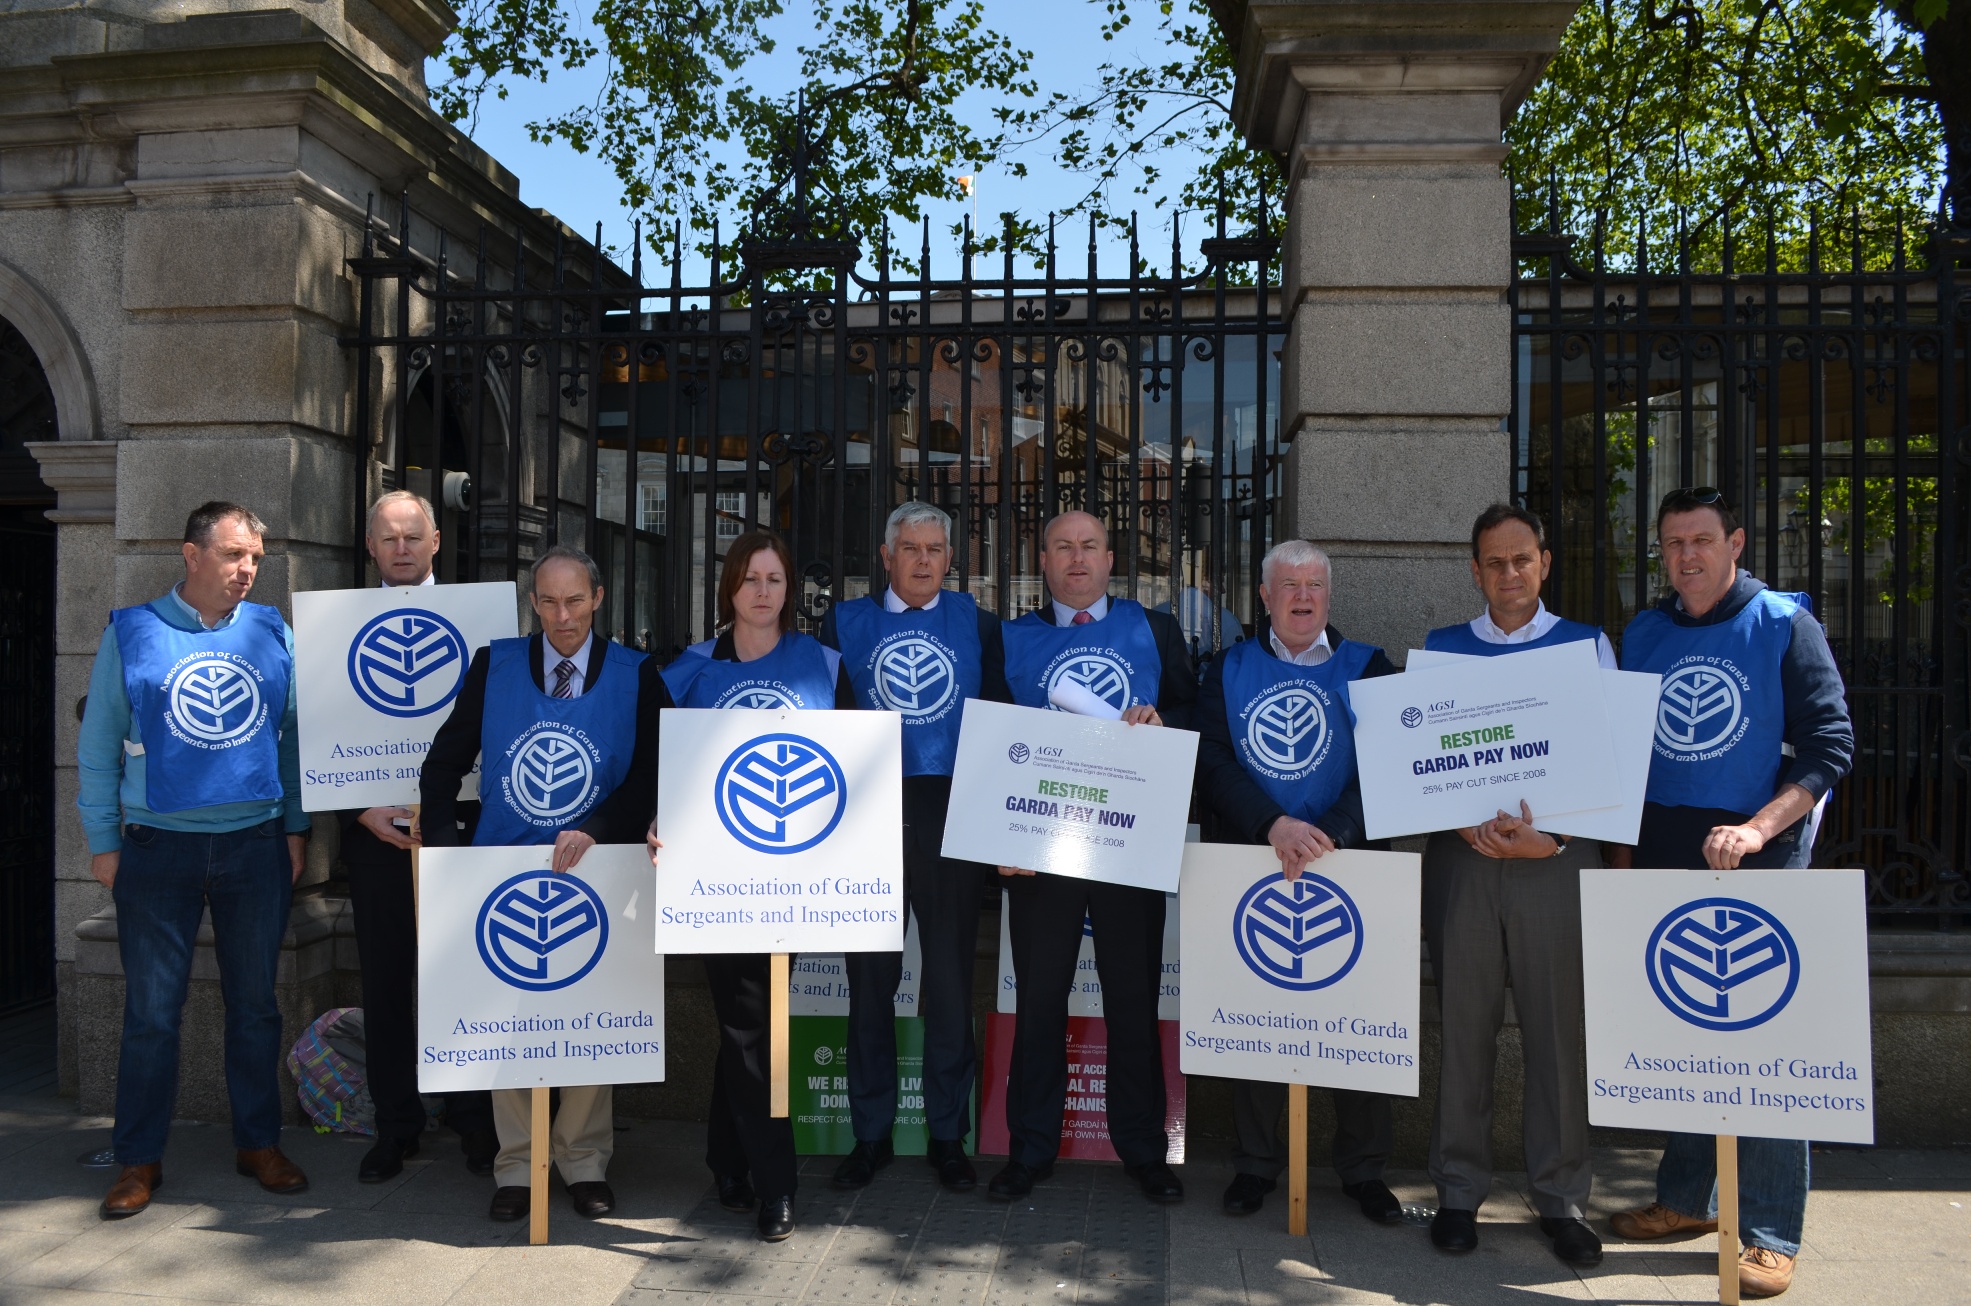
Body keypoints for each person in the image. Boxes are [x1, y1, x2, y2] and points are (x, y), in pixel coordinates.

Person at [1608, 488, 1853, 1300]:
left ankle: (1772, 1231)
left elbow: (1829, 746)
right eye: (1672, 542)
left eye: (1702, 540)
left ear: (1735, 543)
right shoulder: (1642, 632)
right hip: (1665, 853)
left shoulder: (1784, 624)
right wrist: (1618, 855)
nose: (1687, 556)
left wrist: (1757, 828)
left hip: (1755, 854)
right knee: (1686, 1032)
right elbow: (1616, 755)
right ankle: (1686, 1199)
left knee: (1762, 1043)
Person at [78, 501, 313, 1219]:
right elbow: (97, 746)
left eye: (254, 560)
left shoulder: (273, 632)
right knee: (152, 1014)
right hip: (156, 849)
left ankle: (258, 1142)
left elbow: (293, 739)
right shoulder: (133, 632)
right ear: (191, 554)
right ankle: (138, 1160)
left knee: (255, 1007)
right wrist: (103, 844)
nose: (246, 571)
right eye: (233, 555)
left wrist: (296, 829)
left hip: (255, 844)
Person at [421, 544, 662, 1223]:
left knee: (591, 1025)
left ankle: (583, 1162)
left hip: (599, 873)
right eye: (549, 602)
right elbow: (444, 761)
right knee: (511, 1025)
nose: (563, 616)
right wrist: (444, 854)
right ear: (534, 602)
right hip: (505, 873)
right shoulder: (494, 665)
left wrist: (604, 823)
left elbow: (654, 769)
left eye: (575, 601)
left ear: (599, 597)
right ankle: (518, 1166)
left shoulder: (638, 672)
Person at [1418, 503, 1614, 1268]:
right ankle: (1458, 1192)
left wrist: (1556, 838)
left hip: (1552, 865)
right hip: (1463, 866)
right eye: (1493, 563)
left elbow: (1605, 759)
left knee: (1553, 1034)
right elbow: (1422, 759)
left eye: (1520, 560)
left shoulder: (1586, 645)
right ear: (1474, 571)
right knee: (1462, 1031)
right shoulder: (1440, 651)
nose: (1507, 574)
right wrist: (1449, 815)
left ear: (1544, 562)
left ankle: (1561, 1199)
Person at [1192, 539, 1403, 1223]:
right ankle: (1255, 1165)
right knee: (1259, 1020)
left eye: (1314, 584)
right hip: (1255, 862)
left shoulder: (1369, 666)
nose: (1302, 595)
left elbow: (1389, 761)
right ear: (1264, 595)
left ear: (1328, 596)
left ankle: (1363, 1170)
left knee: (1356, 1021)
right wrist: (1273, 827)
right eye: (1288, 584)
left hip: (1352, 866)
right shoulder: (1226, 668)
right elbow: (1214, 763)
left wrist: (1330, 832)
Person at [656, 529, 856, 1242]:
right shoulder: (690, 670)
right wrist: (657, 824)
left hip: (797, 877)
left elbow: (855, 765)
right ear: (729, 588)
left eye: (774, 579)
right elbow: (664, 767)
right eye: (749, 579)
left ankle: (726, 1159)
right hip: (715, 878)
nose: (762, 592)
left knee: (751, 1025)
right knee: (750, 1025)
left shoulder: (825, 666)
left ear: (788, 590)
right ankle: (777, 1183)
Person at [991, 510, 1196, 1206]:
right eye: (1061, 548)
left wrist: (1162, 722)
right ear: (1041, 561)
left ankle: (1143, 1150)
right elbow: (987, 743)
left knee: (1133, 1000)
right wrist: (998, 840)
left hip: (1126, 846)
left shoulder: (1156, 630)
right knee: (1039, 1003)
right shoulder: (1009, 639)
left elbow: (1198, 718)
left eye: (1088, 547)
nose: (1076, 560)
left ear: (1111, 559)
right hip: (1040, 853)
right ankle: (1029, 1150)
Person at [817, 502, 1011, 1193]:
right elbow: (822, 722)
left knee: (951, 982)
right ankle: (868, 1135)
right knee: (868, 983)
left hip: (949, 816)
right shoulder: (843, 624)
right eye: (910, 547)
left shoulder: (978, 625)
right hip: (868, 818)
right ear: (885, 554)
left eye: (935, 548)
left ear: (950, 558)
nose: (923, 560)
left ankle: (946, 1135)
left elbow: (1000, 728)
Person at [337, 491, 498, 1184]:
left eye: (413, 536)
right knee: (386, 978)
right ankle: (395, 1122)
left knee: (462, 973)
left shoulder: (478, 625)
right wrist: (356, 808)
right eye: (387, 537)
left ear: (437, 542)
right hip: (376, 836)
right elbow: (322, 737)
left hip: (458, 830)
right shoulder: (335, 629)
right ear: (370, 546)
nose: (401, 548)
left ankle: (472, 1118)